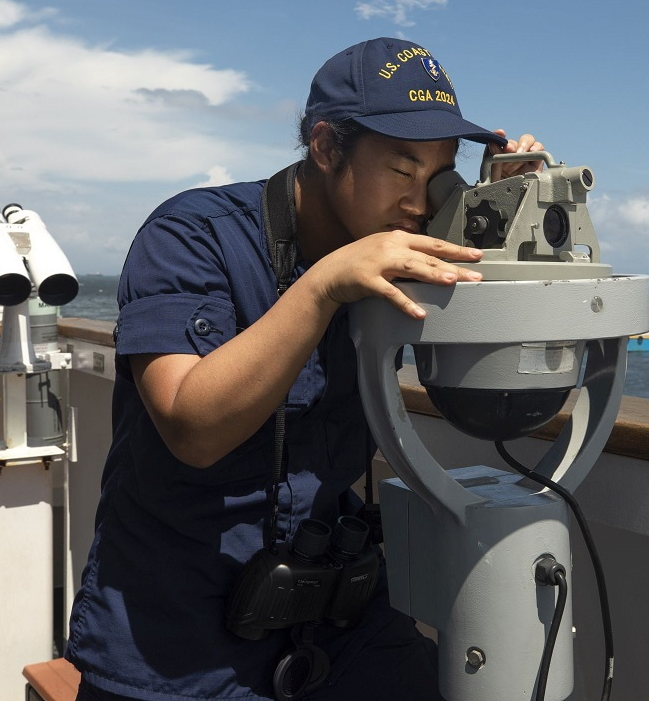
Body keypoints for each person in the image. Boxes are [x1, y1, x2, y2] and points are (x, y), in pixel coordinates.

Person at [65, 38, 545, 701]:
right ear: (325, 148)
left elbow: (493, 385)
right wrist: (322, 288)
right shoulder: (193, 234)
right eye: (403, 169)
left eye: (440, 174)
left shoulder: (403, 252)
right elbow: (191, 427)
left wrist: (501, 227)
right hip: (179, 637)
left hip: (341, 615)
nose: (421, 199)